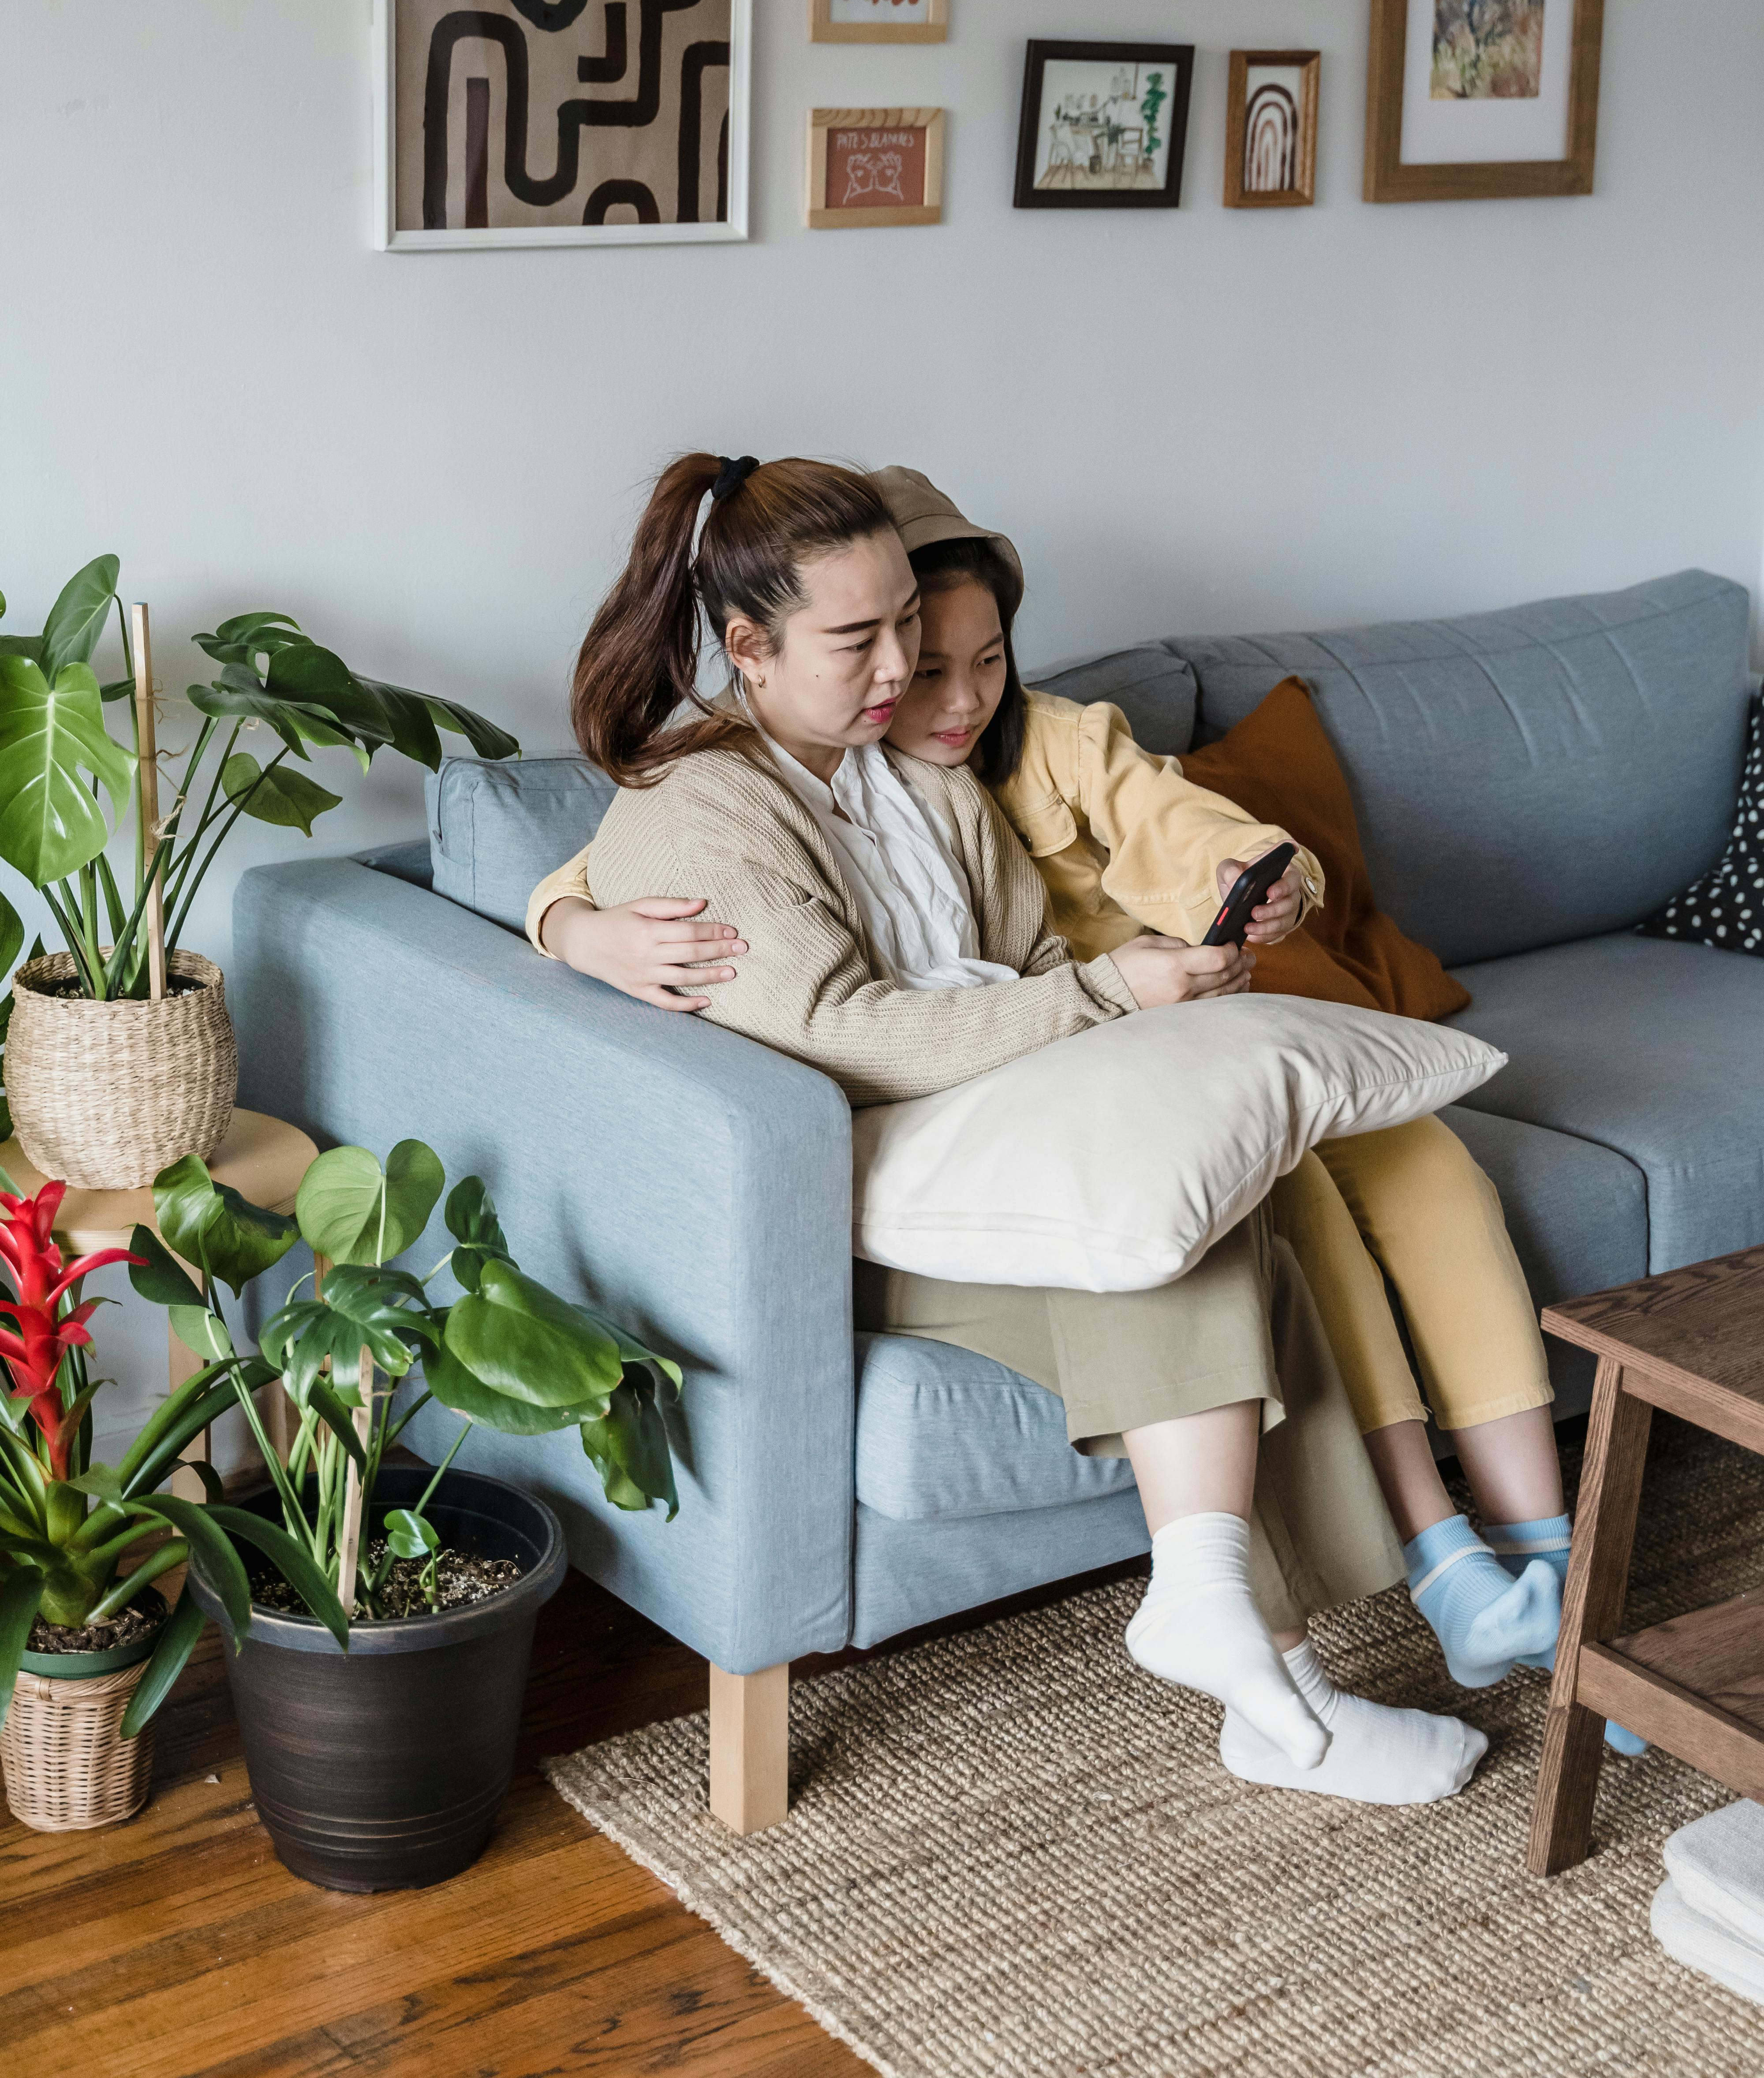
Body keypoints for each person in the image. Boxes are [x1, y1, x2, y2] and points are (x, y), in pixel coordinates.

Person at [545, 466, 1641, 1751]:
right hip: (856, 1208)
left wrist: (1152, 975)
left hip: (1004, 1140)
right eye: (864, 639)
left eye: (916, 623)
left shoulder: (919, 781)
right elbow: (845, 1029)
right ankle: (1298, 1697)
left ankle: (1268, 1649)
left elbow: (1032, 956)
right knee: (1188, 1232)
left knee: (1215, 1222)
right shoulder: (711, 800)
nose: (906, 668)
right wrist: (567, 923)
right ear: (748, 647)